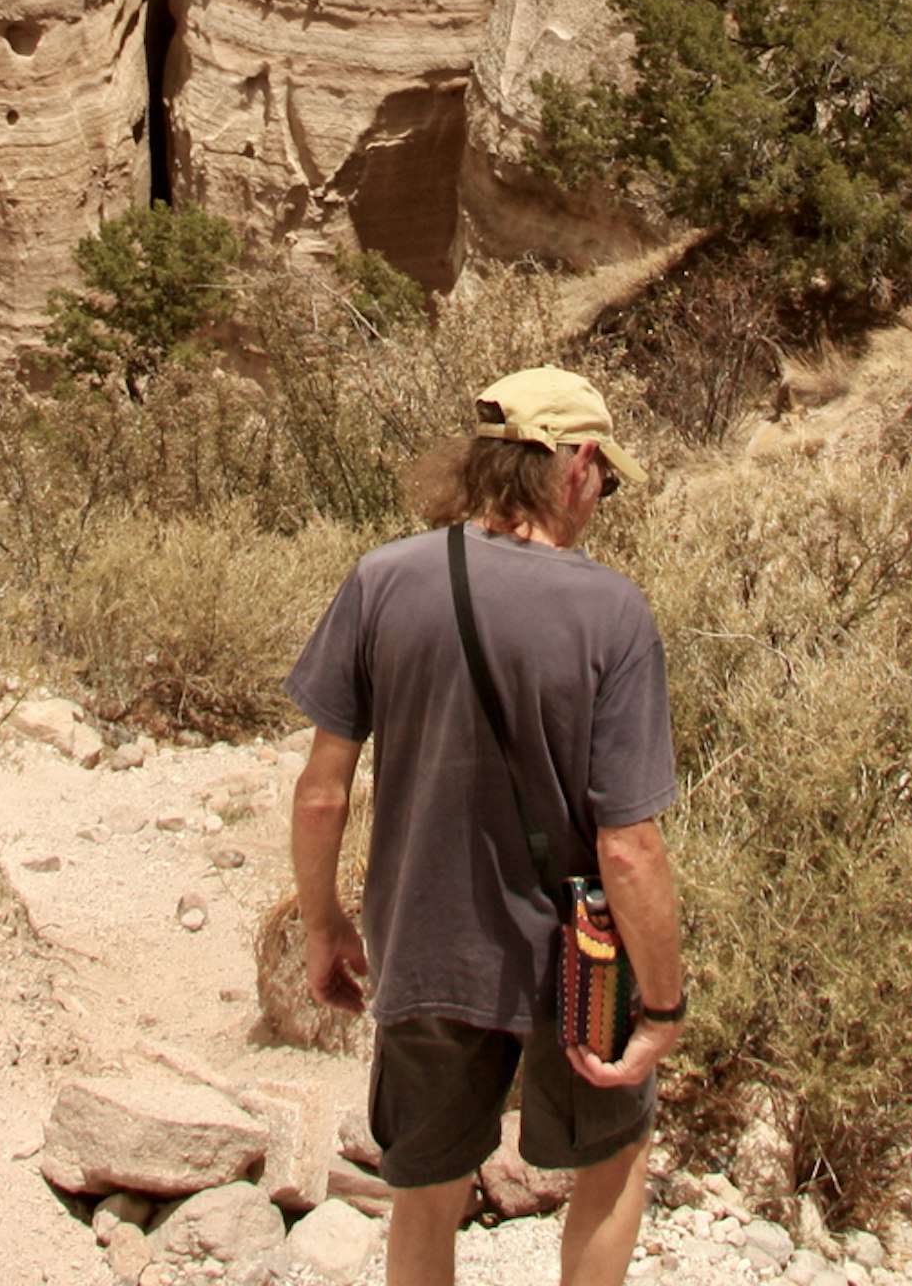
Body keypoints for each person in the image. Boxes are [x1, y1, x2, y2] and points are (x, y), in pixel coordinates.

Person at [287, 368, 685, 1286]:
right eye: (606, 481)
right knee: (611, 1159)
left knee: (425, 1185)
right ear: (578, 464)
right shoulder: (612, 611)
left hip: (422, 945)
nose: (602, 499)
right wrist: (661, 1002)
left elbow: (320, 793)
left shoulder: (383, 579)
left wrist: (323, 925)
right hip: (577, 962)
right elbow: (628, 845)